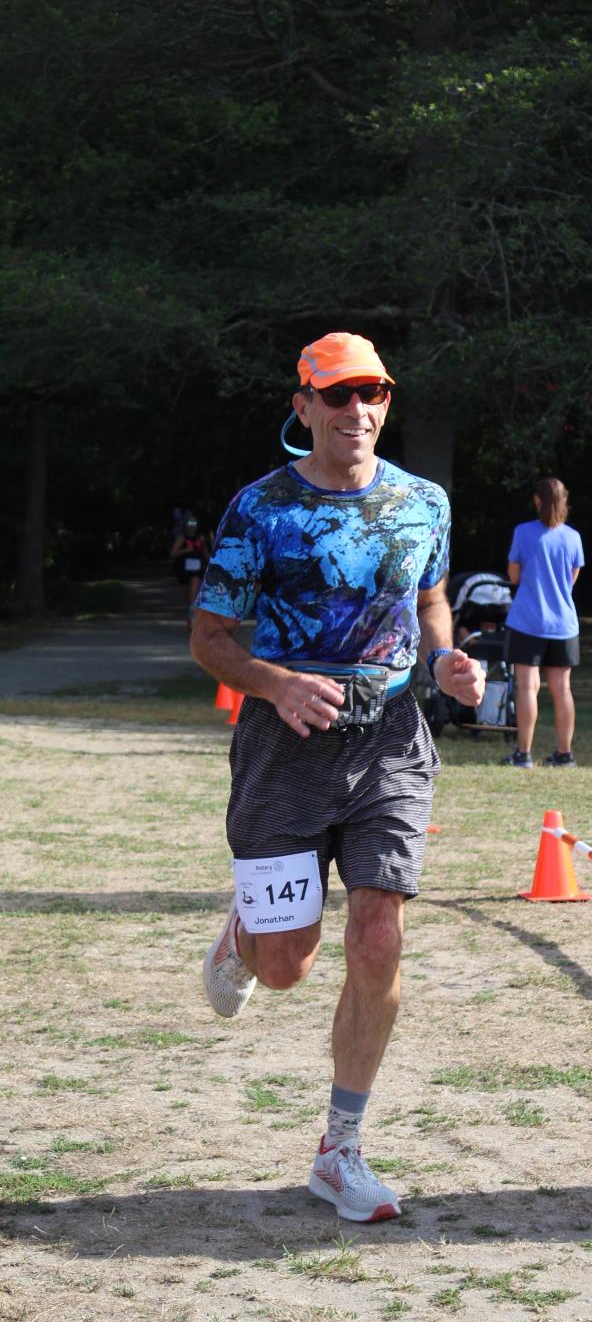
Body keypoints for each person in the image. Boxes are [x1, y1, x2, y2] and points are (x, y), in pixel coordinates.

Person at [189, 331, 484, 1224]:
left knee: (379, 934)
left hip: (390, 737)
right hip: (285, 744)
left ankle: (340, 1149)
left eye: (374, 393)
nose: (358, 409)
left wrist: (444, 661)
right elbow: (209, 639)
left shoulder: (423, 502)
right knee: (287, 967)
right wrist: (276, 684)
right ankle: (247, 934)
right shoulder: (261, 509)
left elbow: (430, 601)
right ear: (305, 406)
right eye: (339, 394)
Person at [501, 477, 584, 767]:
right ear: (564, 501)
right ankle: (565, 753)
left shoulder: (523, 532)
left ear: (537, 500)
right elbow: (572, 579)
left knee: (527, 687)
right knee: (563, 689)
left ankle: (523, 753)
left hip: (527, 620)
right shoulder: (573, 537)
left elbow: (514, 577)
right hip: (564, 624)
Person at [169, 515, 211, 628]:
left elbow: (205, 553)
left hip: (196, 570)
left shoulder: (200, 538)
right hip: (183, 570)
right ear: (186, 525)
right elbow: (173, 554)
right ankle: (190, 617)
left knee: (193, 596)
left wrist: (212, 563)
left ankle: (193, 623)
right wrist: (185, 550)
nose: (192, 526)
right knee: (188, 597)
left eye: (194, 523)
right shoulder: (181, 538)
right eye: (190, 523)